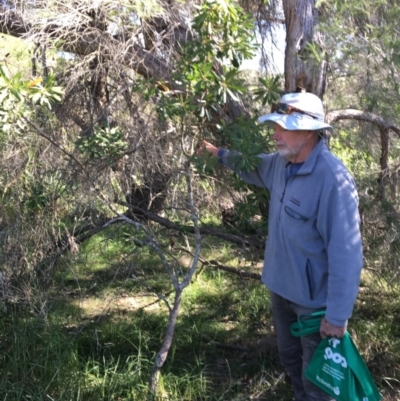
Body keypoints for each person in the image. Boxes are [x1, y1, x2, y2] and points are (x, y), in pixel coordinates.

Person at [197, 92, 363, 401]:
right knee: (291, 362)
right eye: (274, 125)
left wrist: (337, 317)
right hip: (281, 290)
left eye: (283, 126)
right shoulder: (280, 163)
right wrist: (218, 154)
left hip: (315, 305)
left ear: (310, 129)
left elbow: (347, 255)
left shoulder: (333, 179)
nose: (274, 134)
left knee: (320, 384)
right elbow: (252, 166)